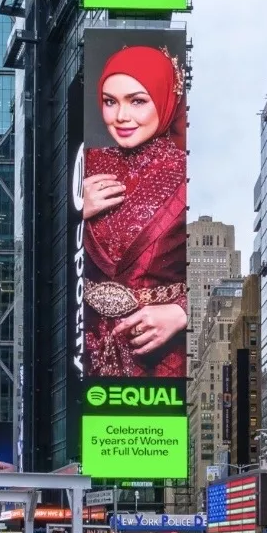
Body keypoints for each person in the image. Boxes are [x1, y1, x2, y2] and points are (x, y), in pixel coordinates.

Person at [82, 45, 188, 378]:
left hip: (161, 355)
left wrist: (182, 314)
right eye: (110, 101)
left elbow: (223, 278)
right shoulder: (85, 165)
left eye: (137, 101)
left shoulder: (190, 171)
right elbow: (38, 257)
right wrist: (72, 210)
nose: (120, 117)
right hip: (86, 348)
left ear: (165, 98)